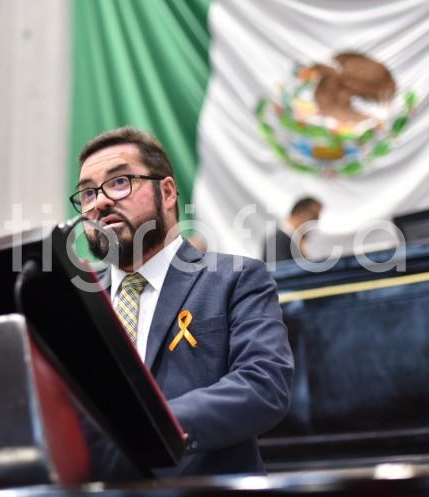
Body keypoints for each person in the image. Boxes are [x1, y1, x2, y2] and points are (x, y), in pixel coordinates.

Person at [71, 126, 293, 479]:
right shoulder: (74, 298)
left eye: (119, 182)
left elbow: (261, 385)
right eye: (86, 193)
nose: (99, 202)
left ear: (168, 192)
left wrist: (150, 429)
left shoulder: (234, 279)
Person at [262, 197, 322, 262]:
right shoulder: (277, 239)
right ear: (301, 213)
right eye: (314, 217)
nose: (315, 222)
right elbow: (281, 269)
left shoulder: (295, 241)